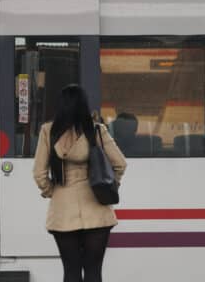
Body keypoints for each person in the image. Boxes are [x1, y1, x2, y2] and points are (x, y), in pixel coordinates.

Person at [33, 85, 126, 282]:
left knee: (71, 271)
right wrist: (111, 187)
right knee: (93, 272)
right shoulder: (97, 131)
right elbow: (120, 163)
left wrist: (53, 191)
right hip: (97, 209)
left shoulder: (48, 131)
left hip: (63, 211)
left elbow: (39, 174)